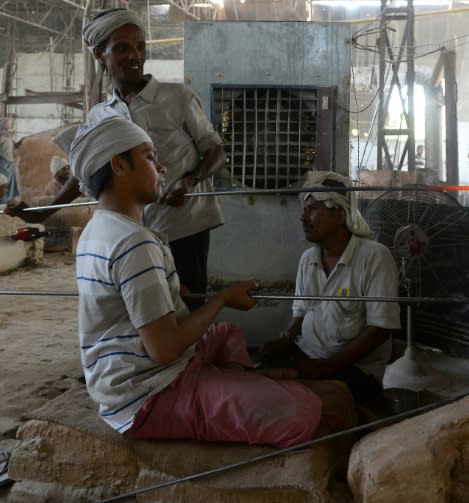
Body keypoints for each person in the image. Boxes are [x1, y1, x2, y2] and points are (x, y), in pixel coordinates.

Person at [70, 115, 321, 446]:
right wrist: (222, 300)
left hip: (123, 380)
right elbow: (164, 349)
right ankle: (225, 388)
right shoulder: (133, 242)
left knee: (226, 333)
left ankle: (232, 382)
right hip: (148, 394)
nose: (161, 167)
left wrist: (172, 293)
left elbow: (126, 304)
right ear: (118, 165)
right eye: (148, 156)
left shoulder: (97, 230)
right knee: (302, 409)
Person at [5, 8, 225, 310]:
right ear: (99, 54)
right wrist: (40, 213)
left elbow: (216, 150)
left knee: (188, 303)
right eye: (122, 48)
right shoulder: (100, 116)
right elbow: (85, 177)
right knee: (143, 309)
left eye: (140, 47)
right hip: (130, 232)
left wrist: (191, 180)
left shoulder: (178, 98)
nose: (135, 56)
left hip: (183, 225)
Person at [263, 172, 401, 403]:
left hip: (354, 368)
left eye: (312, 209)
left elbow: (380, 329)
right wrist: (284, 340)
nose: (302, 218)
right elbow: (302, 311)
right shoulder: (308, 259)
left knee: (307, 401)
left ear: (338, 215)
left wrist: (325, 369)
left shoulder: (374, 256)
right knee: (258, 376)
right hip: (309, 356)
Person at [0, 118, 19, 203]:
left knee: (9, 184)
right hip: (3, 162)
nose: (10, 124)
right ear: (4, 124)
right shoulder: (2, 135)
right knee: (3, 183)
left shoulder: (8, 134)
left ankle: (8, 200)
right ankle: (2, 201)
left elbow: (12, 145)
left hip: (9, 162)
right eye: (9, 123)